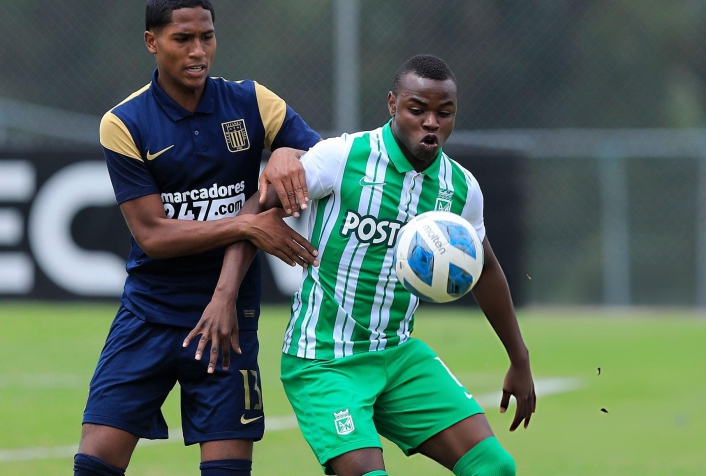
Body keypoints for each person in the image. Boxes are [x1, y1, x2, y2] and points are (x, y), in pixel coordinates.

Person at [203, 55, 536, 476]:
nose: (431, 122)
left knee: (494, 467)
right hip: (324, 361)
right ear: (393, 104)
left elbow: (484, 268)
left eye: (444, 113)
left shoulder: (461, 188)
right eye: (417, 109)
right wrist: (224, 295)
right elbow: (255, 209)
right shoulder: (342, 157)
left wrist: (519, 359)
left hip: (398, 355)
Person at [74, 0, 321, 476]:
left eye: (207, 37)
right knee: (94, 466)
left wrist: (288, 153)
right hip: (150, 314)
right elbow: (153, 236)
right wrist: (249, 224)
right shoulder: (124, 122)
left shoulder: (253, 101)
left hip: (230, 322)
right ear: (152, 42)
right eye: (182, 39)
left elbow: (320, 160)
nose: (198, 51)